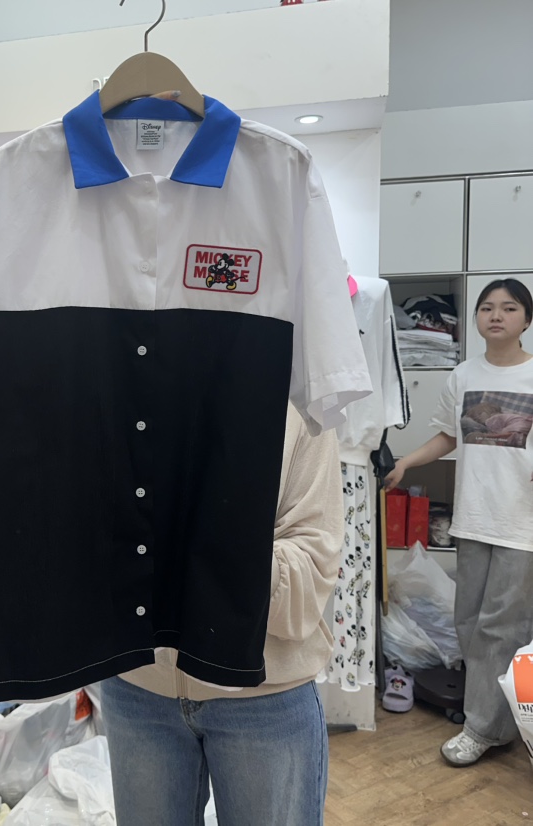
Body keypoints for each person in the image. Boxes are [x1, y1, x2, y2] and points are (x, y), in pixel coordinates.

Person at [100, 404, 343, 826]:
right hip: (137, 688)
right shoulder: (111, 392)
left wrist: (213, 539)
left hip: (263, 694)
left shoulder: (297, 400)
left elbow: (312, 572)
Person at [384, 278, 533, 767]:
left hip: (520, 524)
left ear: (526, 320)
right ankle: (497, 719)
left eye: (509, 308)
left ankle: (483, 728)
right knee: (469, 622)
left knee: (502, 628)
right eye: (487, 308)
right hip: (472, 519)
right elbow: (449, 436)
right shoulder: (464, 374)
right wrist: (406, 463)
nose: (496, 316)